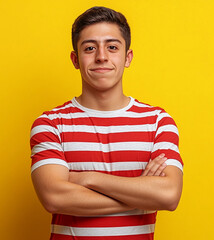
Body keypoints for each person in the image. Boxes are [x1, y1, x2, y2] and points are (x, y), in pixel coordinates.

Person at [29, 6, 183, 240]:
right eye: (90, 48)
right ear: (75, 59)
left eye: (112, 47)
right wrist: (141, 193)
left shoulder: (158, 122)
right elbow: (54, 198)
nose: (101, 56)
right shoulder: (50, 123)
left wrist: (89, 178)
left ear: (127, 57)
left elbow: (170, 195)